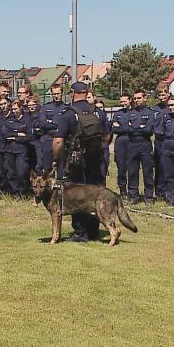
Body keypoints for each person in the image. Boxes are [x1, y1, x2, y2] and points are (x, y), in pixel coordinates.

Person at [53, 82, 108, 242]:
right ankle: (94, 231)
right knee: (95, 194)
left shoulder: (68, 114)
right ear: (86, 93)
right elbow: (107, 136)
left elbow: (58, 141)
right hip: (95, 160)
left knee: (76, 195)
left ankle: (80, 233)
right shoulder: (98, 112)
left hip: (75, 163)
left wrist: (56, 159)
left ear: (73, 94)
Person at [126, 89, 156, 204]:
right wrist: (140, 127)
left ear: (145, 98)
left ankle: (149, 196)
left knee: (147, 171)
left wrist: (134, 127)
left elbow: (148, 130)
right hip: (132, 144)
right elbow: (126, 128)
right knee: (132, 171)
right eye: (135, 98)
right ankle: (133, 196)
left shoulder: (150, 113)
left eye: (139, 98)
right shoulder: (130, 113)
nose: (136, 100)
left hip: (145, 145)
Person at [3, 99, 33, 197]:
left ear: (21, 108)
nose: (14, 111)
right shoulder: (9, 120)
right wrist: (18, 134)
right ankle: (14, 193)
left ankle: (22, 193)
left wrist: (14, 138)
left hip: (21, 150)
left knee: (21, 172)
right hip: (9, 149)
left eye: (16, 109)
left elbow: (29, 136)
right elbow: (5, 135)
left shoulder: (27, 120)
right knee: (11, 173)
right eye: (12, 109)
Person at [38, 84, 67, 176]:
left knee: (62, 168)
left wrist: (51, 121)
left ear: (62, 93)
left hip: (62, 140)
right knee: (47, 168)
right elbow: (42, 124)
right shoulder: (46, 107)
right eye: (54, 94)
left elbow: (67, 125)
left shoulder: (66, 108)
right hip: (48, 139)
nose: (56, 96)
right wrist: (57, 123)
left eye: (58, 93)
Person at [111, 94, 133, 199]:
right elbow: (114, 129)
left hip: (132, 142)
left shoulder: (134, 112)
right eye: (121, 102)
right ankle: (123, 191)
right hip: (120, 143)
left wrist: (121, 127)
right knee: (121, 168)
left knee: (132, 168)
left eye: (125, 101)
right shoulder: (118, 113)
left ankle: (132, 191)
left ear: (130, 100)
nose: (123, 103)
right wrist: (128, 126)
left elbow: (135, 128)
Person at [152, 86, 171, 200]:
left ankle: (171, 191)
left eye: (164, 94)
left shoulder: (172, 107)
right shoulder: (155, 109)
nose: (161, 97)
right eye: (159, 95)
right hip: (159, 140)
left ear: (168, 94)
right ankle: (159, 192)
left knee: (169, 166)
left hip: (169, 139)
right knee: (159, 166)